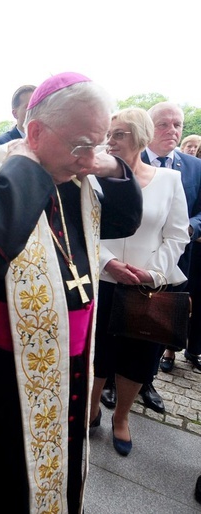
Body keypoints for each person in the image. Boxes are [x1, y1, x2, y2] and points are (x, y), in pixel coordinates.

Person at [0, 72, 142, 513]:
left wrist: (112, 167)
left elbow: (124, 222)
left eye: (97, 143)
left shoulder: (81, 180)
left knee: (66, 465)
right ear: (34, 132)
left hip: (76, 362)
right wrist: (24, 167)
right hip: (8, 371)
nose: (87, 158)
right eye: (81, 145)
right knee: (7, 482)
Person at [88, 107, 188, 458]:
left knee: (137, 358)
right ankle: (92, 410)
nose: (110, 141)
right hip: (103, 279)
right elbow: (84, 229)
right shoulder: (93, 177)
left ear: (141, 137)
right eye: (109, 133)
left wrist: (153, 274)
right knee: (98, 353)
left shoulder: (168, 181)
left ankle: (122, 418)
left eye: (120, 134)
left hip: (147, 286)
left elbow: (177, 236)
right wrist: (109, 263)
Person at [135, 102, 201, 412]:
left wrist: (191, 226)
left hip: (174, 262)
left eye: (177, 124)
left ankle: (145, 381)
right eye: (163, 124)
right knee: (122, 320)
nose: (171, 130)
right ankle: (109, 382)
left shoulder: (193, 167)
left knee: (157, 326)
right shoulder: (129, 161)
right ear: (148, 128)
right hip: (132, 260)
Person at [0, 84, 36, 148]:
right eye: (28, 107)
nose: (35, 110)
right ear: (15, 114)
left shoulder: (48, 141)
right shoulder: (0, 144)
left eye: (38, 106)